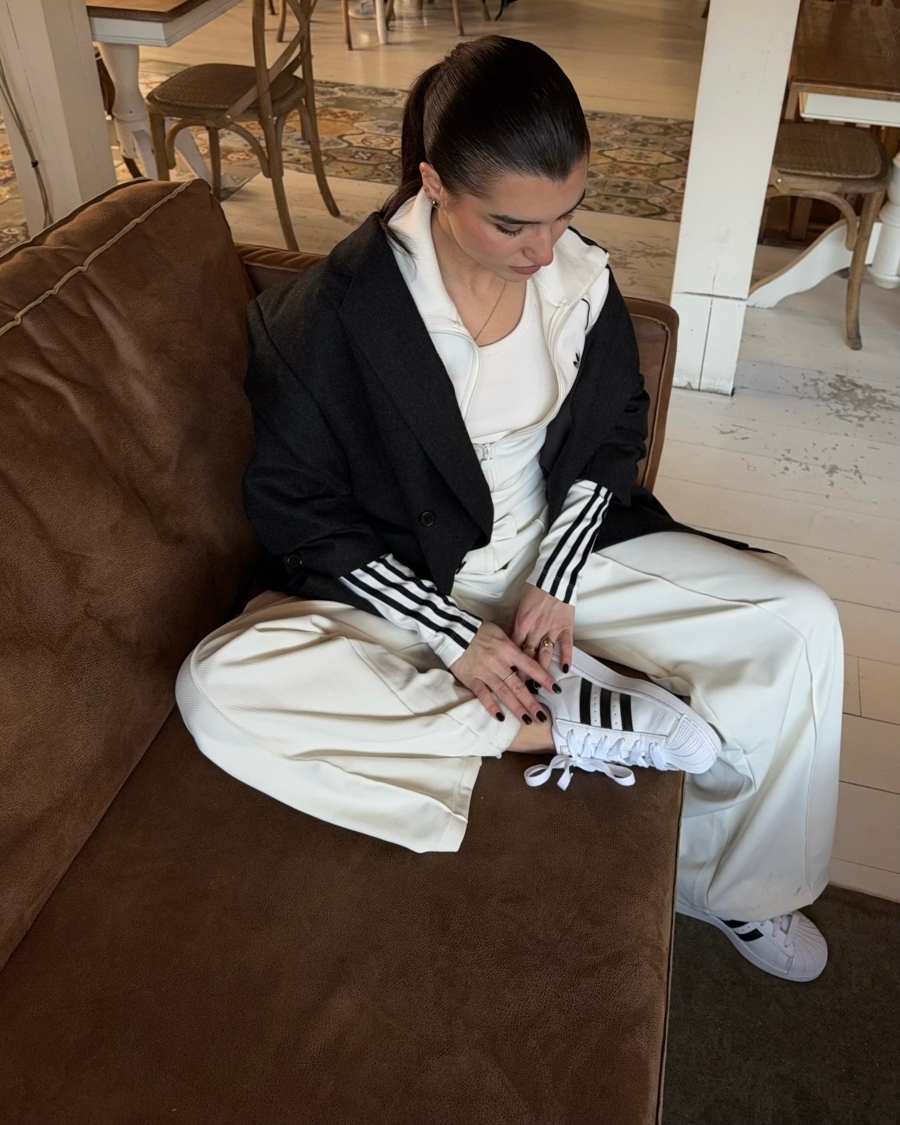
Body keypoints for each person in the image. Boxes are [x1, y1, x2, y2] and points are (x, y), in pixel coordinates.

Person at [176, 36, 843, 983]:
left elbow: (615, 429)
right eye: (513, 225)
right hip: (411, 581)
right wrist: (454, 635)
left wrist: (557, 576)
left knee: (801, 623)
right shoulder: (327, 319)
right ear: (434, 183)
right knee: (216, 683)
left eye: (566, 213)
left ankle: (730, 885)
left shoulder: (579, 278)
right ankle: (555, 721)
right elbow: (300, 510)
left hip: (553, 558)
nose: (545, 247)